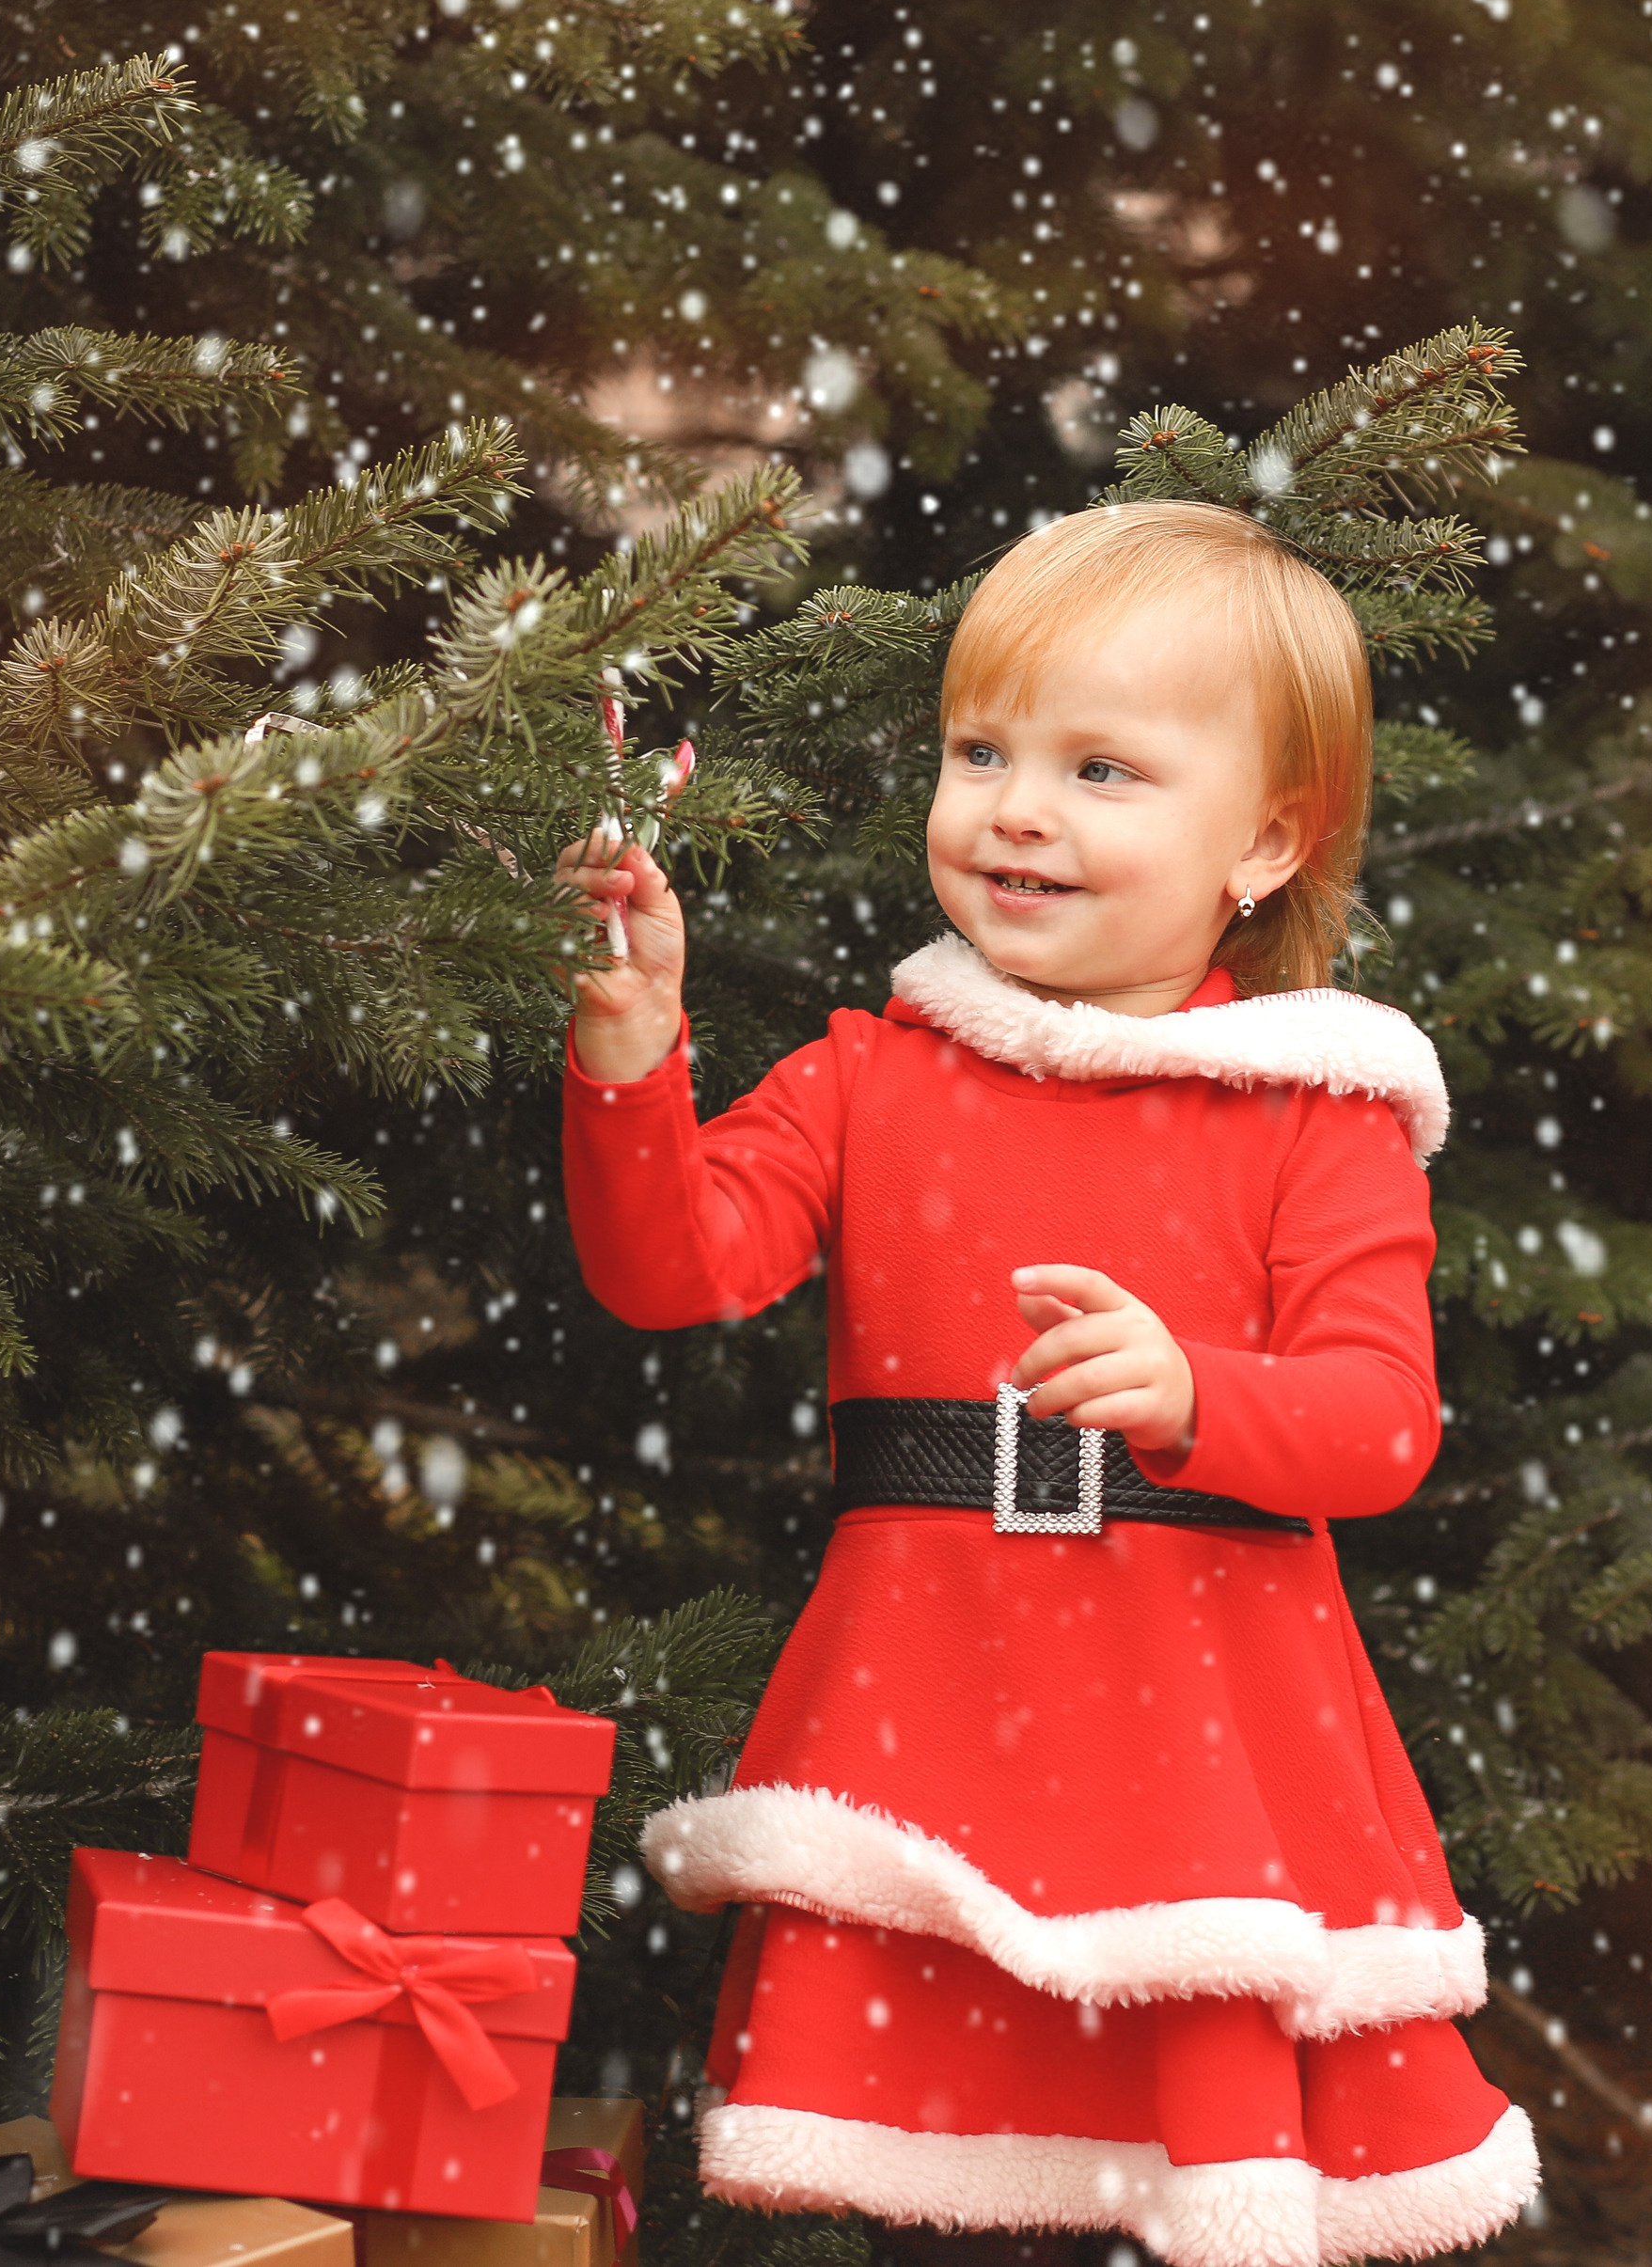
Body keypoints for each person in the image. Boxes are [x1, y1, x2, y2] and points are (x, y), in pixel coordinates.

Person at [554, 502, 1537, 2267]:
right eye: (982, 750)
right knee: (943, 2191)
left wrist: (1194, 1395)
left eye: (1102, 768)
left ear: (1265, 841)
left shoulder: (1314, 1115)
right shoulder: (875, 1074)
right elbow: (674, 1264)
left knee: (1180, 2173)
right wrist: (635, 1060)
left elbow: (1382, 1424)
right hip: (934, 1701)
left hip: (1193, 1730)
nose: (1017, 807)